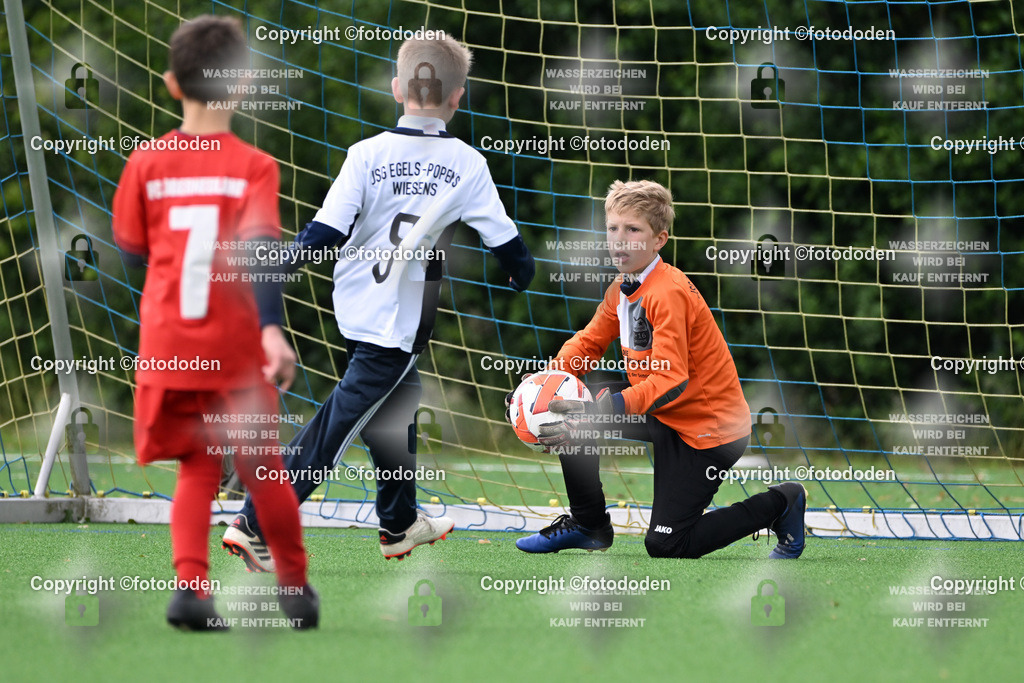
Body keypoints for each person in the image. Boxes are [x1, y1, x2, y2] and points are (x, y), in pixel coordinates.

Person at [223, 30, 535, 567]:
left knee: (395, 414)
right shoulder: (467, 163)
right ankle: (256, 521)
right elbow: (509, 246)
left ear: (397, 88)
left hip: (355, 308)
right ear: (458, 95)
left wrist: (275, 264)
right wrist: (520, 275)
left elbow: (323, 235)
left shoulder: (365, 153)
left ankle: (399, 523)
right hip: (399, 323)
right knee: (337, 423)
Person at [112, 15, 318, 630]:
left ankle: (191, 591)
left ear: (173, 84)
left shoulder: (146, 162)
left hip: (171, 341)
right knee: (261, 462)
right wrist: (271, 329)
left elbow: (129, 249)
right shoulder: (252, 166)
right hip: (231, 346)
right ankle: (294, 590)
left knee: (197, 463)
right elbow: (260, 254)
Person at [512, 180, 806, 559]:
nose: (620, 239)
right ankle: (590, 526)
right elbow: (587, 344)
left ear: (659, 239)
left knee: (667, 544)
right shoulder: (622, 288)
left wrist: (603, 410)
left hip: (707, 432)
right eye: (612, 228)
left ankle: (782, 502)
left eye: (633, 230)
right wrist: (538, 389)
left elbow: (671, 381)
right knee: (566, 407)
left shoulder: (667, 293)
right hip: (660, 412)